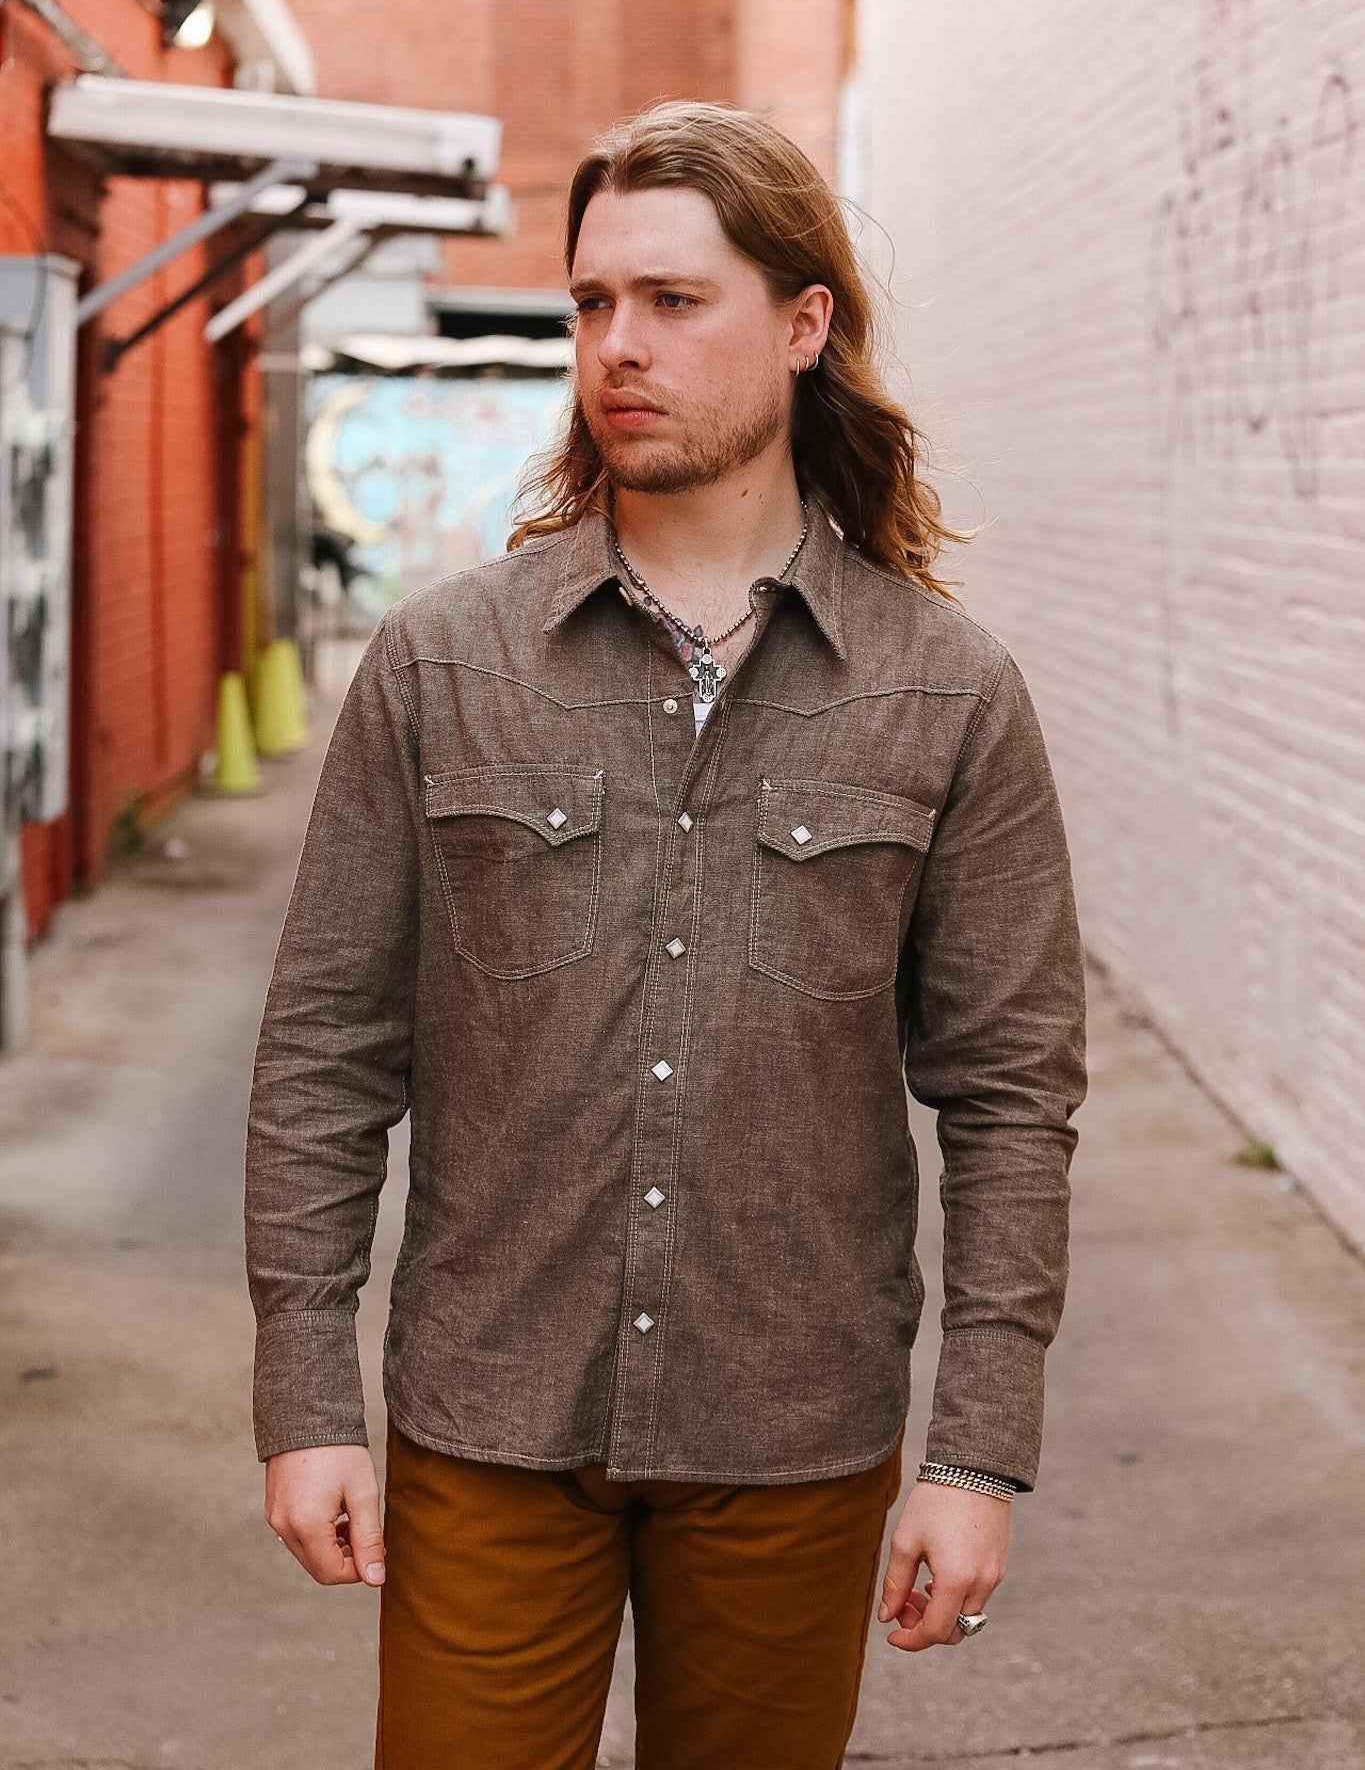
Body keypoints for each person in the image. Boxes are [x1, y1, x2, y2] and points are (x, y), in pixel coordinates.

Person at [246, 101, 1087, 1770]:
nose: (615, 347)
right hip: (487, 1422)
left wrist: (976, 1454)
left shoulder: (946, 692)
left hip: (792, 1430)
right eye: (588, 304)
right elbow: (327, 1055)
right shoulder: (439, 666)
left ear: (801, 324)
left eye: (671, 302)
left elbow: (1007, 1096)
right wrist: (305, 1401)